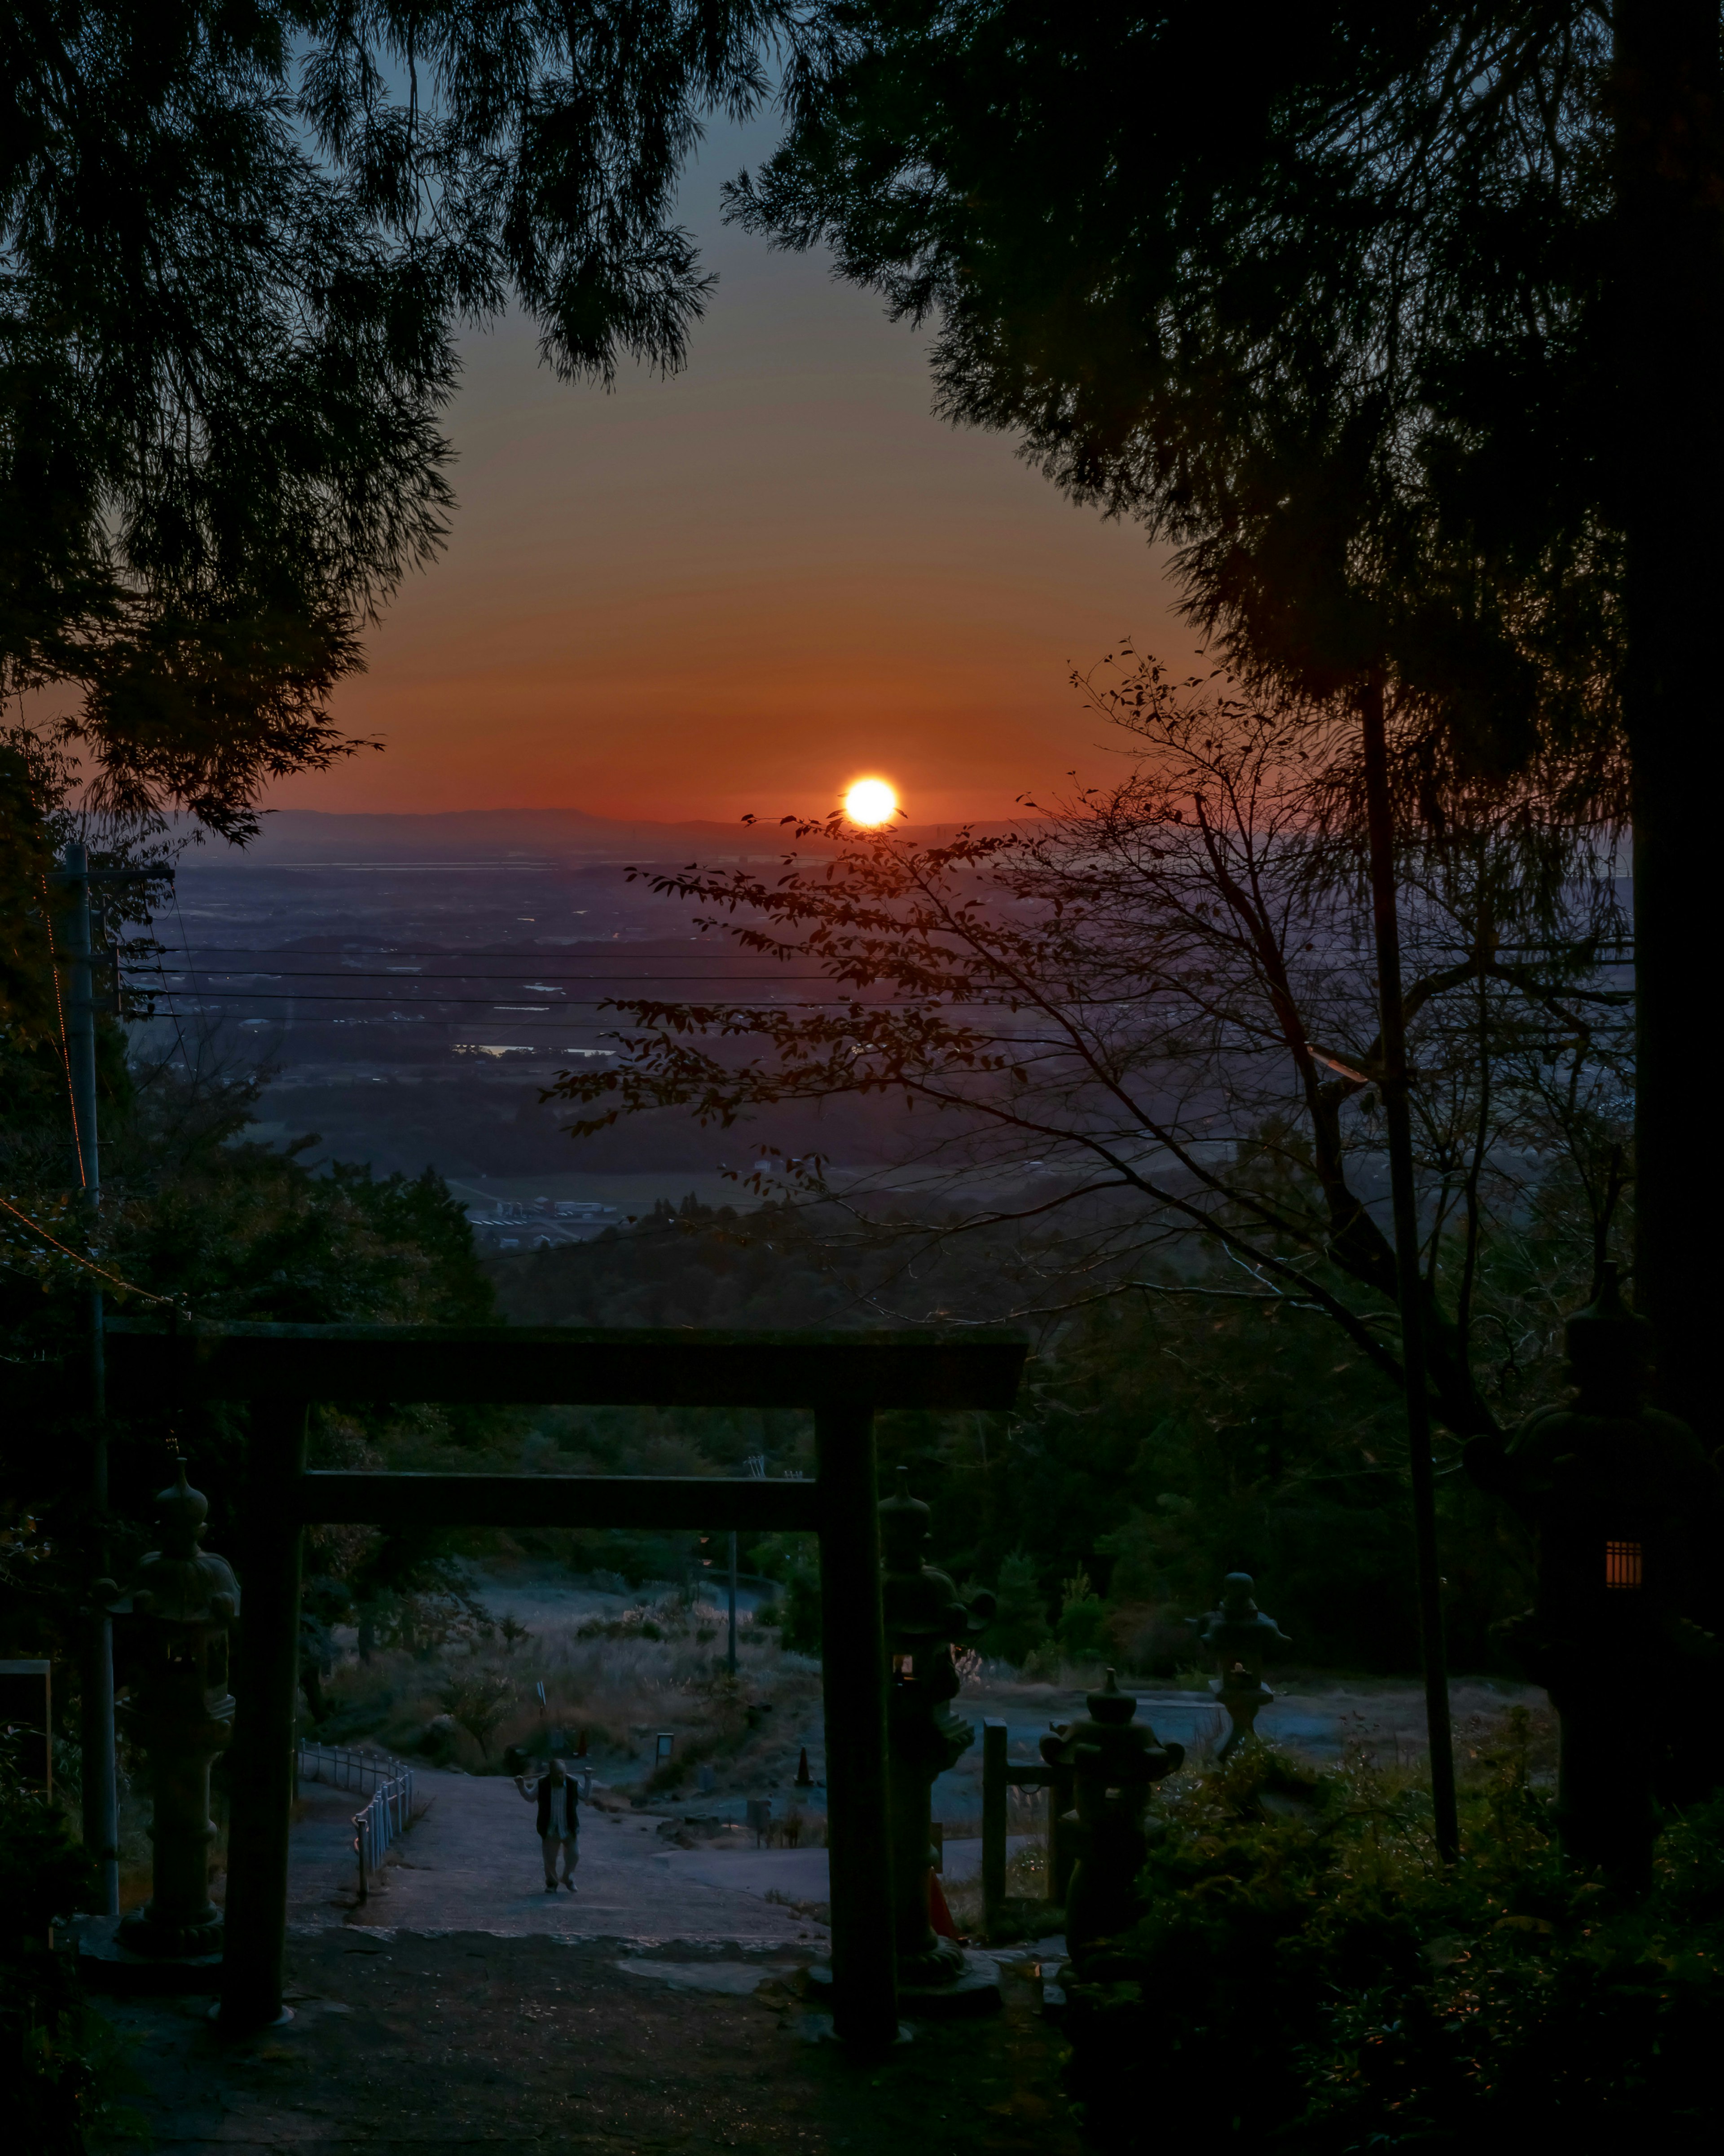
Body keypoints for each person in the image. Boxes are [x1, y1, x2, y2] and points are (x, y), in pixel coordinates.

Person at [514, 1757, 579, 1891]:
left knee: (574, 1854)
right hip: (550, 1829)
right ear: (551, 1774)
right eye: (558, 1774)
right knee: (550, 1860)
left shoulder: (573, 1782)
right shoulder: (542, 1783)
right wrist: (522, 1785)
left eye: (563, 1773)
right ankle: (552, 1883)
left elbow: (585, 1795)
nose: (561, 1776)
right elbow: (530, 1797)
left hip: (568, 1827)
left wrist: (589, 1779)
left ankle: (568, 1878)